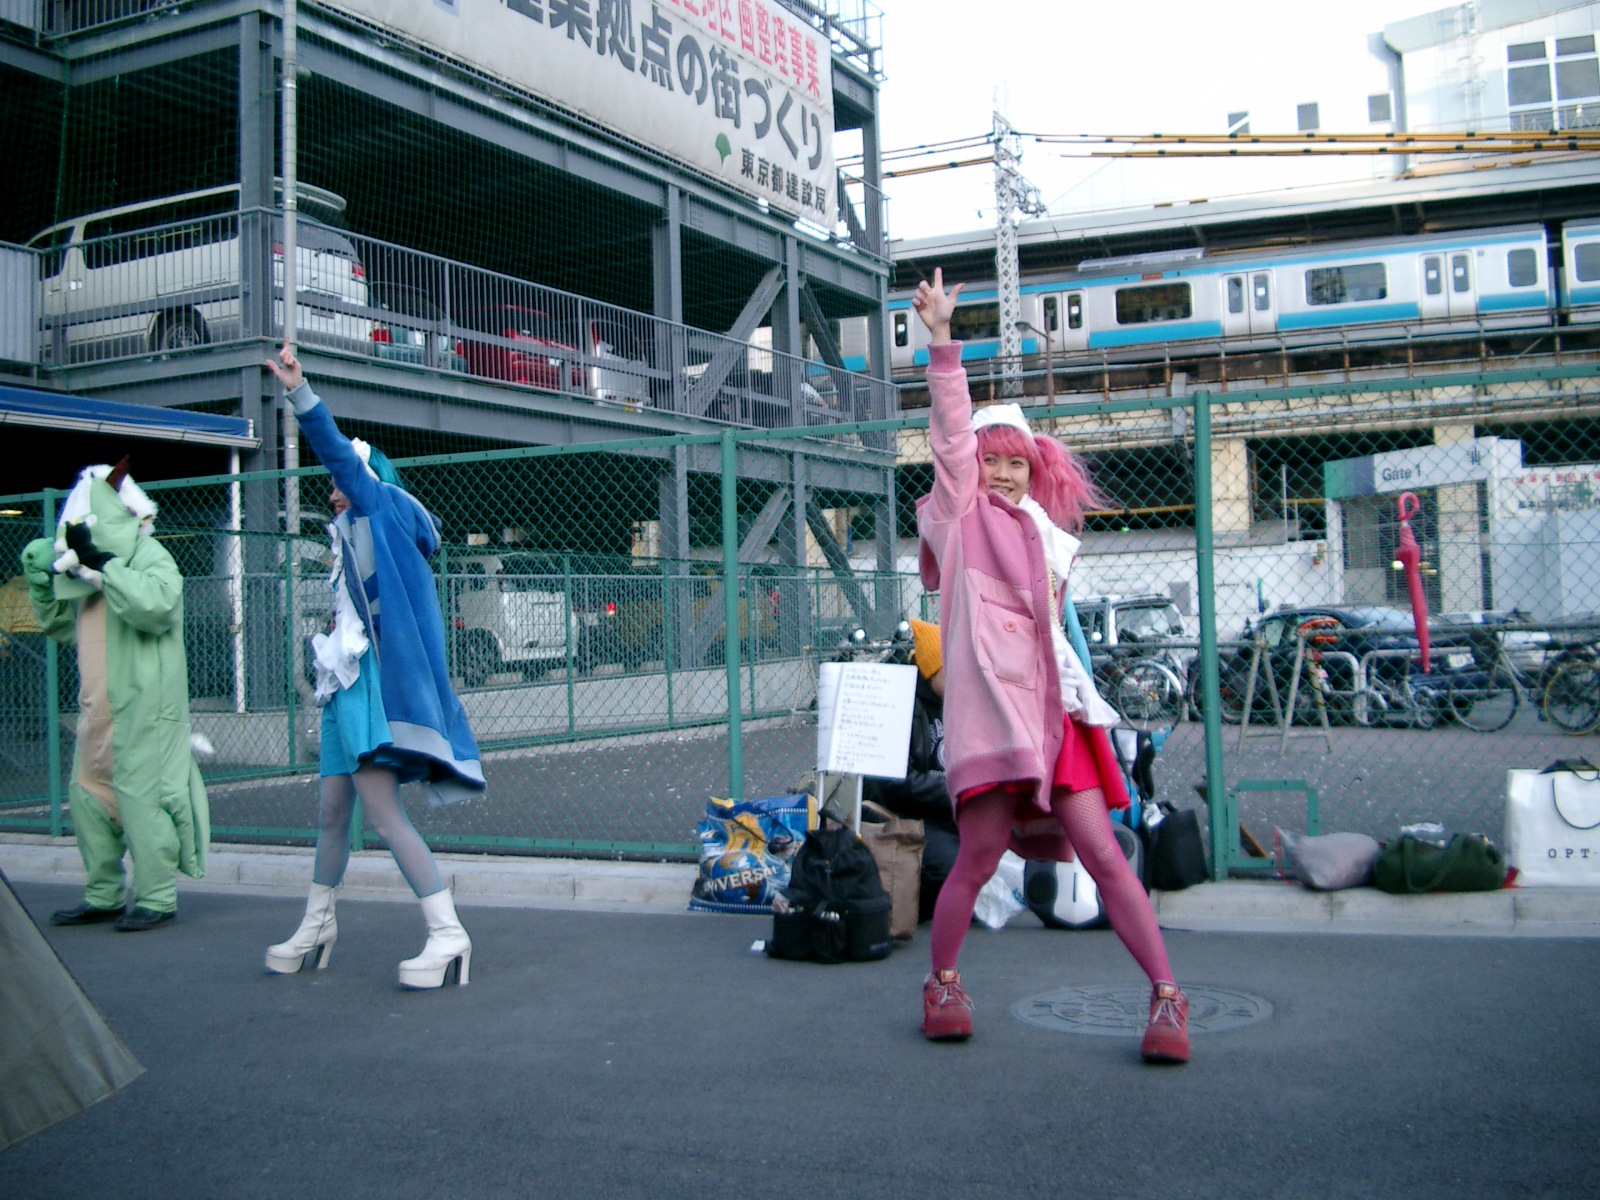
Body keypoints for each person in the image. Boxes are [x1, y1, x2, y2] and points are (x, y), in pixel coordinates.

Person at [911, 269, 1189, 1063]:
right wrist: (942, 341)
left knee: (1106, 855)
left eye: (1016, 463)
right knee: (977, 857)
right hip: (993, 725)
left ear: (1036, 472)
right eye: (990, 460)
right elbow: (951, 436)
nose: (1001, 473)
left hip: (1056, 721)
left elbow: (1062, 641)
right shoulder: (960, 520)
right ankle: (943, 984)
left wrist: (1092, 702)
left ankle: (1167, 996)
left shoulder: (1049, 542)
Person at [263, 344, 485, 989]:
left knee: (384, 818)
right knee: (333, 813)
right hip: (344, 690)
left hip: (366, 691)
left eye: (340, 480)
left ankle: (447, 932)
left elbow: (339, 456)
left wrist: (300, 394)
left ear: (363, 478)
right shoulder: (355, 534)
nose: (331, 490)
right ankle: (317, 925)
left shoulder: (379, 509)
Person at [19, 459, 210, 932]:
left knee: (145, 802)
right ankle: (102, 893)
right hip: (96, 712)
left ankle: (156, 896)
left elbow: (158, 606)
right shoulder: (81, 572)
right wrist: (43, 582)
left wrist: (105, 567)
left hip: (145, 711)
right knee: (89, 799)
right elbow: (62, 627)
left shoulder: (149, 556)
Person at [861, 618, 958, 921]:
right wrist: (955, 792)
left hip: (950, 810)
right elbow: (895, 783)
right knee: (951, 867)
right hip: (908, 814)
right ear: (931, 669)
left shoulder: (960, 703)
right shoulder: (901, 705)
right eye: (953, 670)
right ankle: (908, 903)